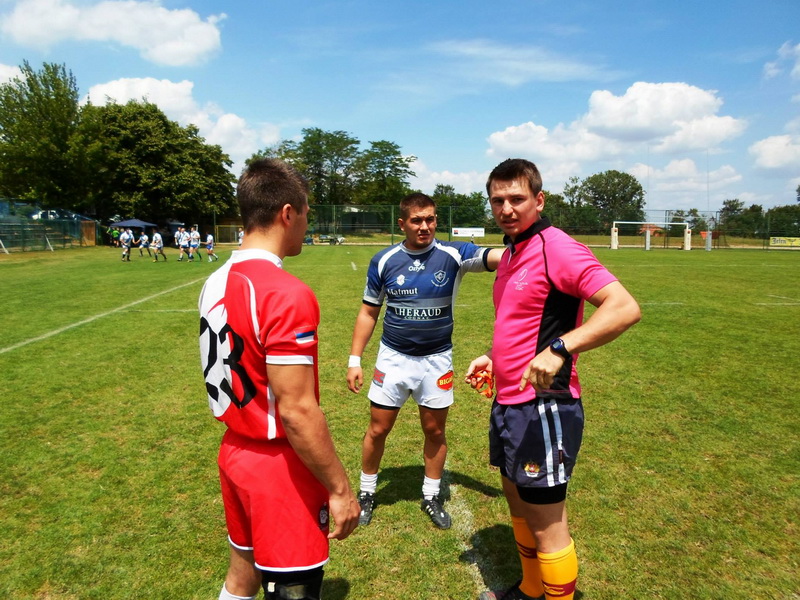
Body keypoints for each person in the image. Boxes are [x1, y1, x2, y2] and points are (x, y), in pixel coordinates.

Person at [465, 159, 641, 600]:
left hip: (544, 407)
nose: (506, 209)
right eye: (498, 200)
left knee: (548, 525)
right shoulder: (511, 252)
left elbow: (624, 307)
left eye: (517, 199)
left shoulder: (556, 247)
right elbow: (522, 321)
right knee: (519, 504)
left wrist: (561, 348)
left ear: (539, 200)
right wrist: (492, 357)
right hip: (509, 403)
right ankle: (529, 590)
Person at [198, 158, 360, 600]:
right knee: (293, 590)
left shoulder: (215, 280)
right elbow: (296, 410)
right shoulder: (284, 292)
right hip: (277, 468)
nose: (307, 224)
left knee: (242, 573)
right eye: (306, 213)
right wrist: (340, 488)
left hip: (234, 450)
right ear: (288, 213)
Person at [346, 192, 502, 529]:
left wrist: (529, 247)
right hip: (393, 359)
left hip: (436, 361)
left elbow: (495, 257)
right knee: (378, 428)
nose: (424, 226)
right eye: (416, 220)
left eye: (430, 219)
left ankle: (431, 496)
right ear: (402, 223)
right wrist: (354, 359)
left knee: (434, 430)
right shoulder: (384, 260)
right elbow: (368, 312)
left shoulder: (453, 254)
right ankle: (367, 491)